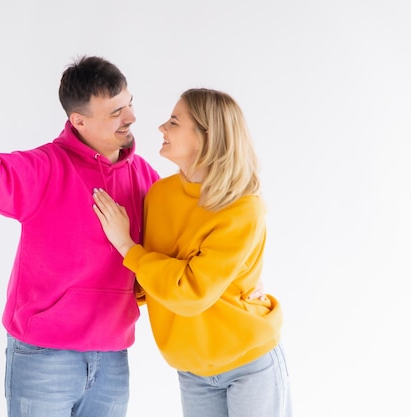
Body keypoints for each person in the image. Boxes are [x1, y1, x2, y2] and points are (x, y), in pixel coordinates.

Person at [0, 56, 159, 417]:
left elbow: (175, 249)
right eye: (115, 112)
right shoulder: (46, 169)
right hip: (44, 356)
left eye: (129, 104)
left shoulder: (145, 178)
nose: (131, 118)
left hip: (112, 357)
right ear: (78, 121)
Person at [92, 88, 292, 417]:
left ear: (206, 136)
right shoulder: (160, 195)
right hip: (192, 371)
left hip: (249, 365)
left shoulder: (242, 208)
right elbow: (154, 283)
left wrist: (128, 247)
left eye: (174, 121)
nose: (161, 128)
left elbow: (190, 292)